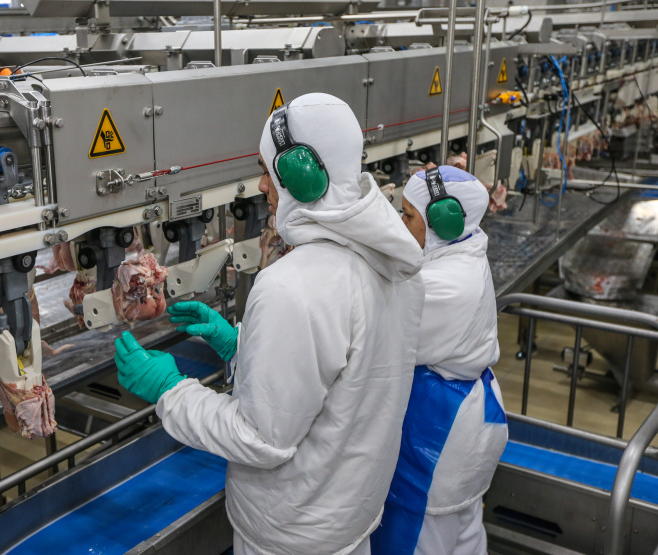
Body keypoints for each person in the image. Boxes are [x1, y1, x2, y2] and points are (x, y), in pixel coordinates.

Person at [114, 93, 426, 555]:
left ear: (302, 174)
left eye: (268, 169)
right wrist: (237, 344)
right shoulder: (394, 261)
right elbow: (341, 375)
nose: (261, 184)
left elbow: (259, 438)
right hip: (346, 517)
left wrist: (170, 391)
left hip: (290, 535)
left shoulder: (293, 285)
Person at [371, 165, 508, 555]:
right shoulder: (464, 251)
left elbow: (368, 335)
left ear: (442, 223)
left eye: (409, 215)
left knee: (416, 540)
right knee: (464, 536)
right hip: (467, 425)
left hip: (439, 434)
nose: (401, 222)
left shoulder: (446, 286)